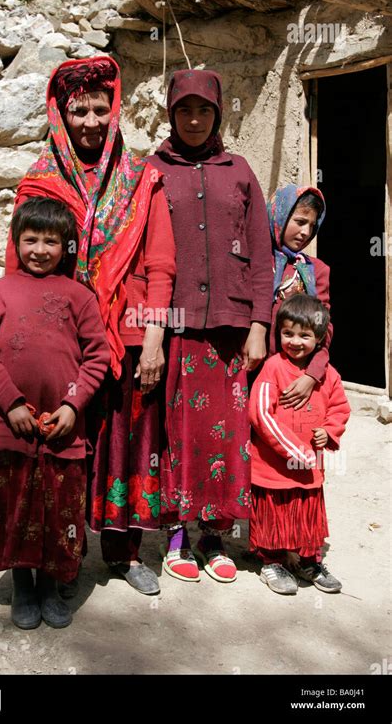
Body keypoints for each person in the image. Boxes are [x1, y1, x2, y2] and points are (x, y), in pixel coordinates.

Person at [6, 57, 176, 596]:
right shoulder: (39, 182)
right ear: (59, 112)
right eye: (78, 110)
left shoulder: (141, 179)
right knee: (64, 445)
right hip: (59, 341)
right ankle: (61, 553)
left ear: (116, 110)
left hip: (127, 334)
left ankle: (124, 553)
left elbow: (161, 264)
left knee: (124, 445)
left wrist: (153, 338)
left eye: (101, 109)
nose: (90, 121)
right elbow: (17, 268)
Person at [147, 69, 273, 583]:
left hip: (231, 327)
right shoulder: (152, 170)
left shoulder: (239, 170)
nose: (194, 120)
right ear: (171, 115)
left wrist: (259, 325)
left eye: (204, 111)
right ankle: (175, 536)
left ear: (218, 115)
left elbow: (262, 257)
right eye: (184, 110)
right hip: (177, 327)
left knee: (225, 437)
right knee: (179, 435)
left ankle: (214, 535)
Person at [0, 197, 111, 629]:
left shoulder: (79, 297)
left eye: (51, 241)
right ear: (16, 242)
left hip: (63, 431)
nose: (39, 250)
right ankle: (23, 585)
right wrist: (11, 402)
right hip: (10, 428)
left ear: (66, 246)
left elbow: (97, 357)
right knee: (15, 506)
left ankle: (51, 585)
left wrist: (73, 405)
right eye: (30, 239)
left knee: (59, 511)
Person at [249, 294, 350, 595]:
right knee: (273, 514)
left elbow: (340, 408)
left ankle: (308, 560)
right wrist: (295, 451)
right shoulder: (272, 369)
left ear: (319, 338)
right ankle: (272, 561)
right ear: (277, 333)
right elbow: (260, 414)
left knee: (307, 516)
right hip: (273, 466)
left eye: (305, 335)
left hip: (309, 469)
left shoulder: (327, 376)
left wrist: (329, 433)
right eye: (287, 333)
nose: (295, 341)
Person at [268, 184, 332, 411]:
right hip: (256, 373)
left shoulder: (317, 270)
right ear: (280, 215)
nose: (306, 232)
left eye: (312, 225)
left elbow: (323, 327)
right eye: (300, 221)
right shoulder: (257, 264)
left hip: (297, 377)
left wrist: (312, 375)